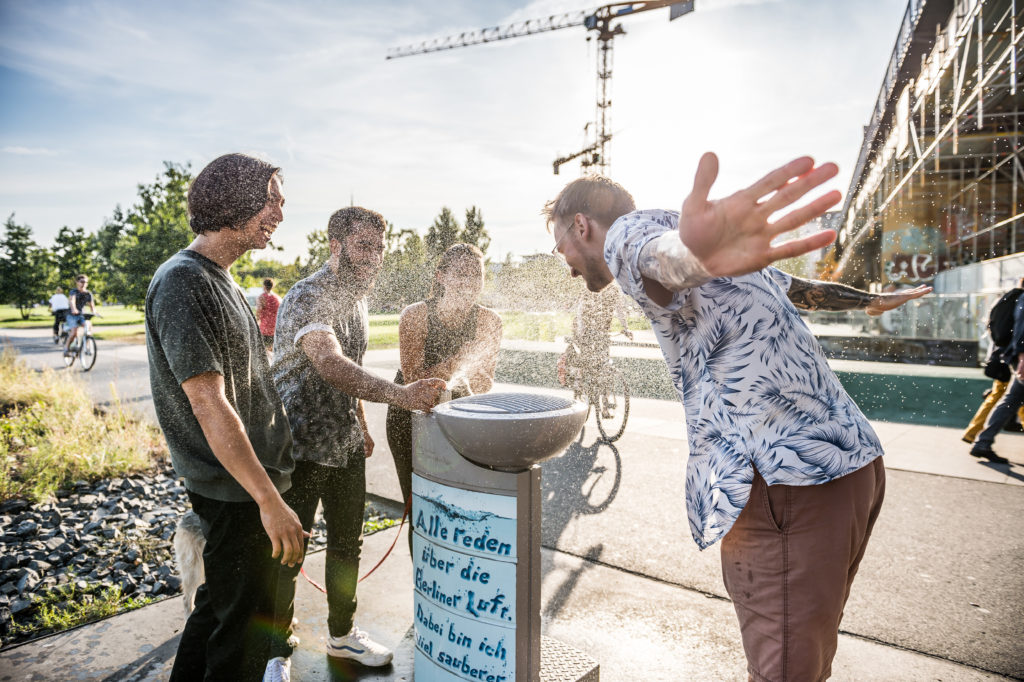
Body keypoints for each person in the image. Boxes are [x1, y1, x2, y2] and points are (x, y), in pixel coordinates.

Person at [545, 154, 930, 682]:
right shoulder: (705, 248)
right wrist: (871, 300)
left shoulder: (629, 236)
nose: (560, 256)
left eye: (558, 241)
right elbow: (802, 291)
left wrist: (695, 253)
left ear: (581, 225)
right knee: (807, 660)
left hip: (786, 485)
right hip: (850, 466)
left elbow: (664, 260)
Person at [145, 153, 305, 682]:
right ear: (233, 201)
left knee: (219, 609)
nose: (281, 210)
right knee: (237, 637)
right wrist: (268, 500)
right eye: (272, 198)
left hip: (246, 484)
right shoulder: (182, 281)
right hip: (235, 490)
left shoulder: (223, 281)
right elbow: (208, 404)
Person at [270, 206, 447, 672]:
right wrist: (402, 395)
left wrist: (364, 427)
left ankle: (342, 636)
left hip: (345, 445)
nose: (374, 257)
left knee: (348, 545)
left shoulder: (358, 300)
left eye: (379, 248)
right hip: (299, 447)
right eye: (364, 246)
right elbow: (330, 363)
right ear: (336, 246)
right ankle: (274, 651)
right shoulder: (310, 295)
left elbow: (350, 374)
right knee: (290, 550)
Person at [385, 243, 503, 550]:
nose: (469, 282)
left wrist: (470, 367)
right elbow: (413, 384)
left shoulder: (489, 321)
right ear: (441, 277)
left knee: (460, 505)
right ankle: (424, 585)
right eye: (461, 274)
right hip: (409, 418)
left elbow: (484, 384)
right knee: (422, 508)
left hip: (458, 416)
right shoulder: (416, 315)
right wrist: (456, 361)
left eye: (476, 275)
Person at [962, 278, 1024, 445]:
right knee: (1005, 397)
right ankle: (979, 437)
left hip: (1004, 356)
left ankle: (977, 436)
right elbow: (1020, 331)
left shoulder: (1007, 299)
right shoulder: (1019, 300)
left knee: (1006, 397)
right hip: (1012, 358)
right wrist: (1020, 356)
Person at [558, 283, 632, 416]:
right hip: (583, 330)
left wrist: (626, 328)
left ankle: (605, 406)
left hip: (602, 333)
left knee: (605, 367)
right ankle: (581, 389)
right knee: (586, 362)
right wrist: (582, 333)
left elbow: (619, 310)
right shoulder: (591, 285)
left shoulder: (614, 290)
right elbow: (580, 311)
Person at [64, 274, 96, 355]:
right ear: (77, 282)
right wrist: (74, 309)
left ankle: (87, 347)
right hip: (72, 314)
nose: (84, 284)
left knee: (88, 327)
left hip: (81, 314)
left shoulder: (88, 294)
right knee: (74, 332)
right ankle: (66, 348)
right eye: (82, 282)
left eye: (85, 282)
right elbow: (72, 301)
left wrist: (94, 312)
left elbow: (92, 305)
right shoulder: (74, 292)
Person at [256, 277, 282, 353]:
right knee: (273, 351)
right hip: (274, 329)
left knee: (262, 352)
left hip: (264, 328)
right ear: (272, 286)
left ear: (264, 286)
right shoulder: (278, 298)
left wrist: (257, 322)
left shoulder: (261, 297)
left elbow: (258, 310)